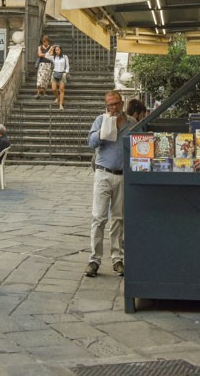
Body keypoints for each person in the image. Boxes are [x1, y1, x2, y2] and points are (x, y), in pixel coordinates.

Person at [85, 90, 133, 278]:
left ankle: (117, 259)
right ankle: (94, 260)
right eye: (109, 105)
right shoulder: (100, 120)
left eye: (115, 104)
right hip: (103, 173)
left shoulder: (131, 123)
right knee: (98, 217)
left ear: (122, 104)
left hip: (122, 175)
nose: (112, 108)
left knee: (118, 218)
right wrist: (102, 132)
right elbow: (90, 143)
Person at [50, 45, 70, 109]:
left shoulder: (64, 57)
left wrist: (66, 72)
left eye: (58, 50)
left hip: (62, 73)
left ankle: (61, 104)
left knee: (61, 89)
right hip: (55, 73)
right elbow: (47, 55)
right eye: (55, 50)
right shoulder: (54, 57)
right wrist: (51, 48)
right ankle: (57, 97)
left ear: (60, 50)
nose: (57, 51)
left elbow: (67, 66)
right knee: (53, 89)